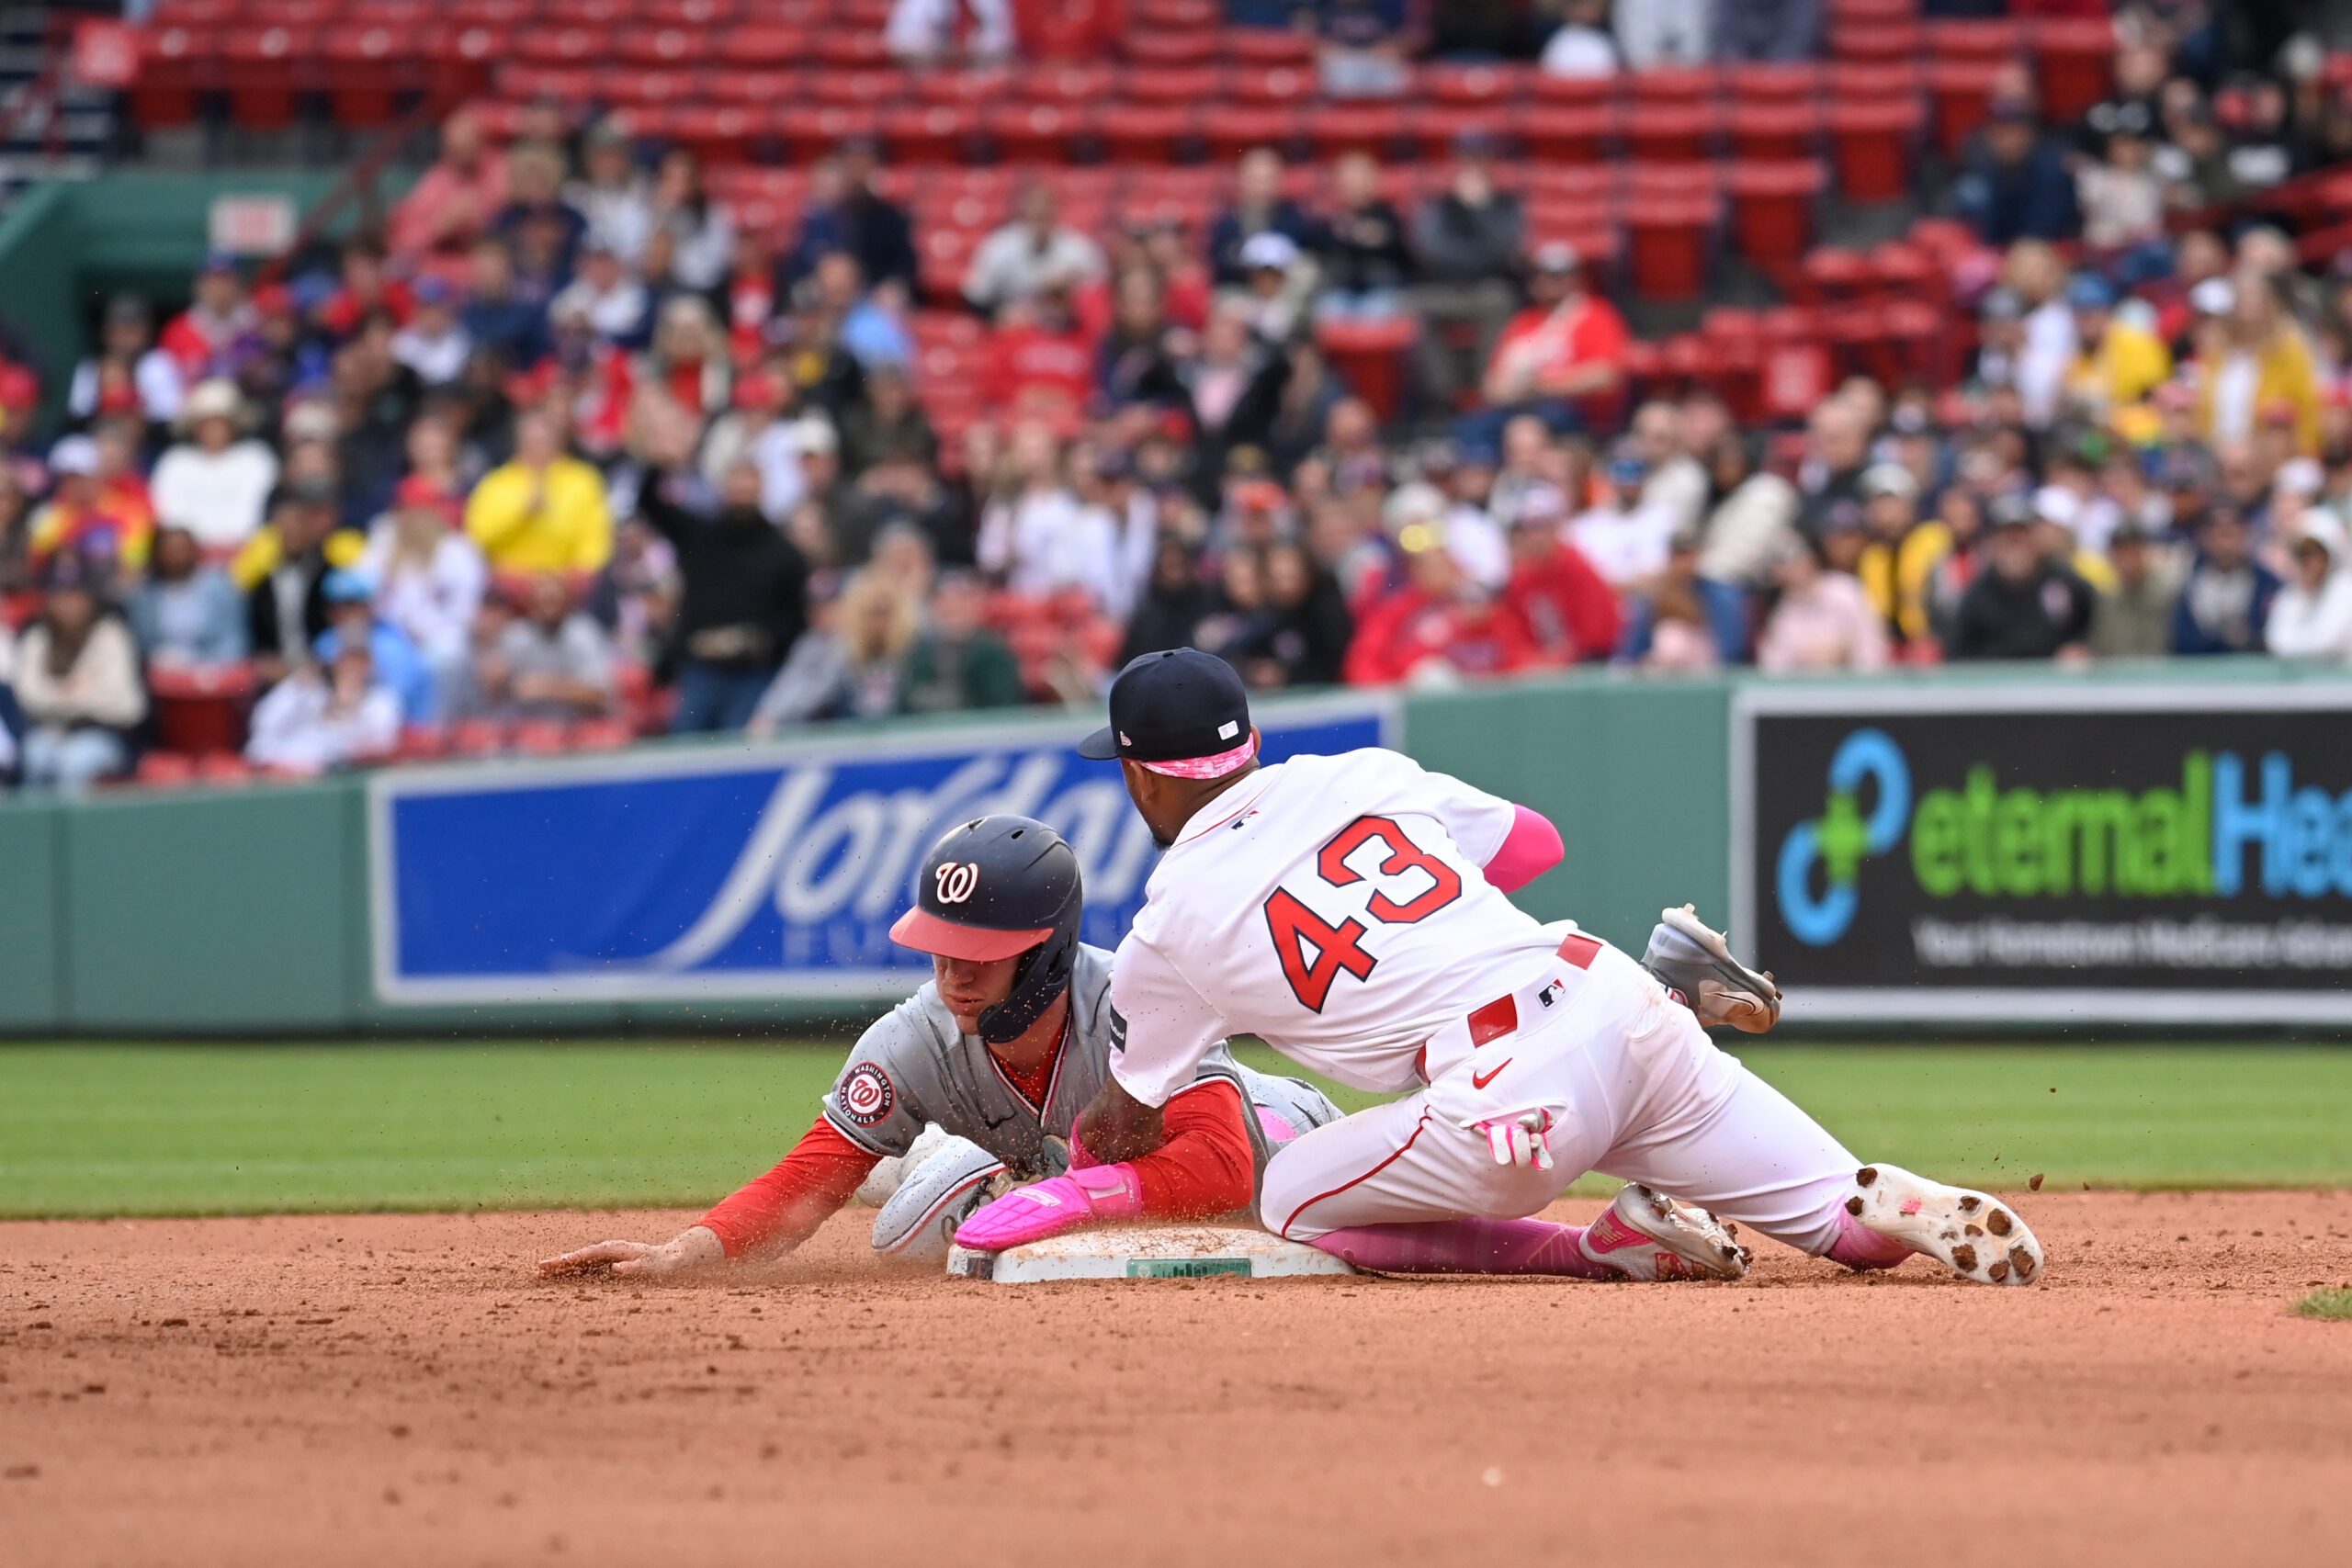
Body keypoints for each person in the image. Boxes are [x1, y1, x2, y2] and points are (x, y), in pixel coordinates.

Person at [954, 649, 2044, 1292]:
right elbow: (1537, 847)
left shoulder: (1170, 925)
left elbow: (1127, 1121)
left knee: (1289, 1199)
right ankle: (1882, 1200)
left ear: (1143, 784)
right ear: (1243, 744)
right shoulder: (1362, 772)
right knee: (1846, 1238)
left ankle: (1598, 1249)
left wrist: (1061, 1168)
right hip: (1612, 998)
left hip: (1503, 1097)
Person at [539, 815, 1348, 1278]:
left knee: (961, 1196)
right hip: (1108, 1191)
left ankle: (956, 1168)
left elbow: (1223, 1169)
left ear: (1045, 951)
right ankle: (937, 1162)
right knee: (904, 1192)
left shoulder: (1144, 1002)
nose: (952, 972)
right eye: (939, 947)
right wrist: (688, 1252)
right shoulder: (916, 1035)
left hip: (1293, 1153)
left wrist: (1062, 1196)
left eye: (979, 951)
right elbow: (807, 1179)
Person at [636, 445, 812, 735]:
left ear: (763, 487)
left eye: (750, 479)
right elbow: (648, 503)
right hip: (701, 669)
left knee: (741, 747)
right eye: (736, 478)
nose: (743, 487)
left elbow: (795, 619)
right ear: (723, 486)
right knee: (686, 746)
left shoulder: (785, 553)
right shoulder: (699, 535)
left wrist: (756, 639)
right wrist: (659, 462)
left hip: (755, 673)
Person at [13, 551, 145, 796]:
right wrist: (78, 695)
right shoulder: (38, 636)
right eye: (59, 594)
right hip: (51, 732)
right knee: (35, 754)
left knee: (74, 761)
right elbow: (27, 697)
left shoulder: (111, 635)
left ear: (90, 598)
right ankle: (31, 833)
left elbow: (126, 706)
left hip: (105, 735)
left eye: (76, 594)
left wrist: (59, 698)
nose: (68, 603)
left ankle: (72, 836)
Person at [1411, 131, 1525, 412]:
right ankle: (1443, 399)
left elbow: (1503, 250)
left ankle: (1489, 393)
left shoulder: (1506, 204)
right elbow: (1429, 249)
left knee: (1500, 301)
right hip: (1445, 290)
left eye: (1480, 157)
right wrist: (1475, 254)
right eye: (1467, 158)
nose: (1473, 165)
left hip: (1487, 290)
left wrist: (1479, 210)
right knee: (1416, 306)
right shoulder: (1439, 204)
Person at [357, 476, 488, 701]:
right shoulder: (384, 542)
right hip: (390, 636)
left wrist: (429, 632)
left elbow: (468, 609)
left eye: (421, 510)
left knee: (448, 655)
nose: (414, 519)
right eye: (407, 510)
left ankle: (434, 732)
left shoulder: (458, 550)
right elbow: (361, 588)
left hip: (441, 637)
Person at [1476, 243, 1627, 431]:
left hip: (1575, 414)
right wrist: (1514, 391)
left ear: (1576, 278)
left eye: (1557, 275)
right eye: (1541, 274)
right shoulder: (1523, 322)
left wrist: (1544, 387)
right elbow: (1492, 385)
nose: (1548, 281)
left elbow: (1605, 376)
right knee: (1475, 427)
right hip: (1517, 408)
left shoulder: (1597, 315)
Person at [464, 411, 614, 574]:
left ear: (558, 442)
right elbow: (479, 537)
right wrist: (521, 514)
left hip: (567, 579)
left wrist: (576, 577)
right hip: (510, 579)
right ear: (518, 443)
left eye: (544, 442)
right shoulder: (496, 484)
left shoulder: (583, 480)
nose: (538, 448)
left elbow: (595, 542)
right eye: (531, 442)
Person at [1945, 501, 2096, 661]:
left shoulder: (2066, 584)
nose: (2014, 545)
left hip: (2056, 682)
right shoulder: (1977, 597)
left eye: (2021, 536)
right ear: (1993, 543)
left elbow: (2094, 627)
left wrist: (2081, 649)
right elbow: (1960, 656)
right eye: (2007, 537)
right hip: (1997, 682)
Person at [149, 379, 278, 552]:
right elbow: (168, 514)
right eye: (207, 424)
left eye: (220, 423)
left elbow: (260, 513)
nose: (214, 430)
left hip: (245, 554)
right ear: (195, 428)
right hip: (188, 559)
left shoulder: (256, 459)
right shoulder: (175, 462)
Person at [243, 637, 401, 775]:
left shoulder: (381, 699)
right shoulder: (308, 691)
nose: (353, 667)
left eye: (360, 660)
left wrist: (347, 707)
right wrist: (296, 686)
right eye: (347, 659)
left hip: (332, 776)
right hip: (278, 772)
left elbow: (379, 746)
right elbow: (263, 727)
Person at [471, 574, 617, 721]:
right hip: (524, 729)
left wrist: (546, 687)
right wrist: (494, 679)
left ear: (568, 603)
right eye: (542, 602)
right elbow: (493, 696)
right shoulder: (516, 636)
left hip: (577, 729)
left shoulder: (584, 635)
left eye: (554, 601)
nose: (549, 609)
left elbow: (601, 696)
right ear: (531, 604)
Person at [963, 186, 1107, 320]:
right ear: (1022, 215)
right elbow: (977, 297)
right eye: (1034, 216)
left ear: (1056, 214)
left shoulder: (1079, 249)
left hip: (1065, 324)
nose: (1039, 224)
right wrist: (1001, 314)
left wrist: (1067, 289)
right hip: (1014, 325)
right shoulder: (998, 247)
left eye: (1045, 215)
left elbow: (1099, 297)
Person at [1754, 532, 1891, 674]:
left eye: (1797, 560)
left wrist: (1846, 653)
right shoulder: (1783, 612)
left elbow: (1873, 646)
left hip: (1854, 685)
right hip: (1805, 690)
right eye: (1783, 565)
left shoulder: (1847, 590)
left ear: (1812, 559)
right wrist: (1807, 661)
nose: (1792, 570)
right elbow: (1773, 668)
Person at [901, 570, 1023, 714]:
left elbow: (1005, 707)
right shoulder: (919, 652)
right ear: (934, 607)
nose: (954, 608)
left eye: (962, 602)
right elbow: (906, 703)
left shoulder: (994, 652)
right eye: (945, 603)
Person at [129, 523, 246, 667]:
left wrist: (204, 667)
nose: (177, 556)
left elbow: (233, 639)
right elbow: (143, 643)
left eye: (182, 549)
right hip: (163, 671)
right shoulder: (146, 594)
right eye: (170, 550)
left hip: (214, 669)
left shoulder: (219, 587)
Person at [2170, 505, 2279, 656]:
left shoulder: (2267, 583)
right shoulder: (2190, 583)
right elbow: (2182, 638)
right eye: (2220, 535)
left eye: (2232, 535)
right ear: (2206, 538)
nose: (2226, 545)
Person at [2086, 520, 2182, 660]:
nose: (2126, 561)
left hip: (2159, 677)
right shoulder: (2106, 599)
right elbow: (2098, 647)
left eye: (2132, 552)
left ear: (2145, 552)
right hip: (2118, 677)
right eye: (2120, 553)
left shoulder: (2168, 593)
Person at [2266, 512, 2352, 660]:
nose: (2310, 562)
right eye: (2303, 553)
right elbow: (2275, 640)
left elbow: (2326, 643)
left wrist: (2294, 646)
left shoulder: (2346, 589)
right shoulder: (2291, 592)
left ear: (2331, 554)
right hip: (2299, 680)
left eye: (2316, 553)